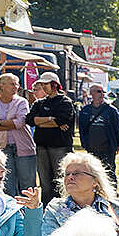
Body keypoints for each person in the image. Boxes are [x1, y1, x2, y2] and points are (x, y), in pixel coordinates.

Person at [26, 72, 74, 205]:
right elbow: (30, 120)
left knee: (61, 180)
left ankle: (64, 206)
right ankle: (46, 208)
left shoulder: (65, 102)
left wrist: (40, 122)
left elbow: (63, 120)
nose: (43, 87)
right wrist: (51, 120)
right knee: (45, 182)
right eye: (42, 84)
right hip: (42, 146)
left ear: (54, 84)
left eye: (45, 84)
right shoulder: (39, 103)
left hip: (60, 147)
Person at [0, 72, 36, 196]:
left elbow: (20, 123)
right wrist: (9, 123)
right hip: (1, 147)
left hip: (24, 147)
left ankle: (29, 211)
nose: (16, 87)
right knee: (7, 184)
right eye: (12, 84)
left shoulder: (21, 102)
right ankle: (12, 212)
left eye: (17, 84)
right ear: (1, 86)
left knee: (27, 183)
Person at [75, 82, 119, 185]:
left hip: (107, 148)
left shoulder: (111, 110)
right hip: (91, 148)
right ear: (91, 93)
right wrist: (84, 144)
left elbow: (118, 127)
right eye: (99, 91)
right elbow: (82, 129)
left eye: (103, 92)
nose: (102, 94)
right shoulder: (85, 110)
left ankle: (112, 195)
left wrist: (118, 144)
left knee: (109, 172)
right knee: (93, 172)